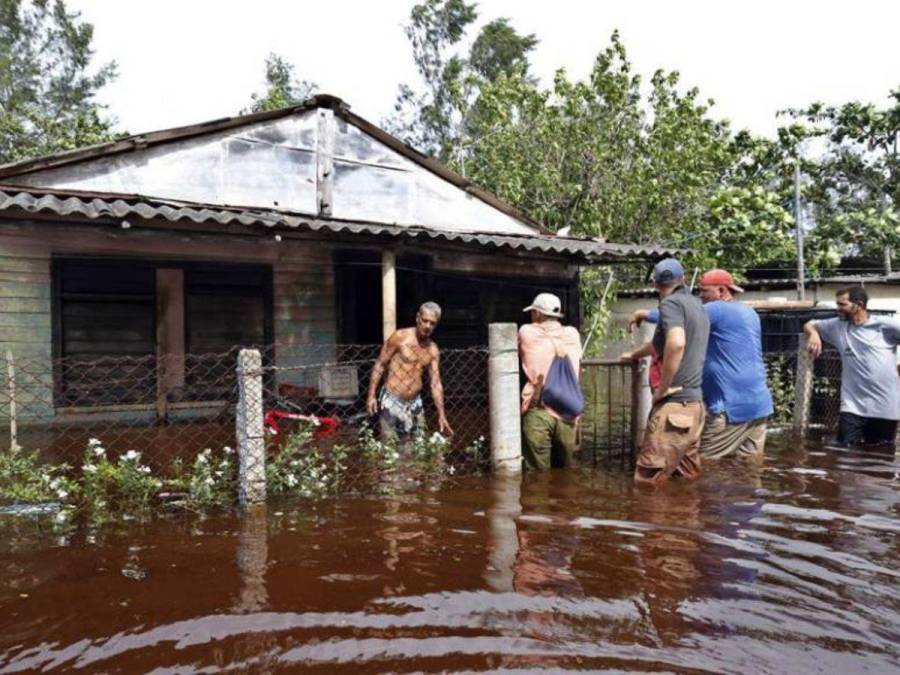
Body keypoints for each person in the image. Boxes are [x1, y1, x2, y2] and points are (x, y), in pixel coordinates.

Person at [629, 269, 773, 460]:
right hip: (759, 405)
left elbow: (678, 315)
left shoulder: (717, 309)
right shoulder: (749, 312)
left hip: (730, 407)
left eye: (704, 291)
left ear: (721, 291)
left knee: (704, 467)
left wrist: (644, 313)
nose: (700, 296)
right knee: (747, 470)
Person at [620, 258, 709, 485]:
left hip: (674, 406)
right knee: (685, 480)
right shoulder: (697, 306)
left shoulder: (669, 305)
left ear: (656, 284)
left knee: (647, 483)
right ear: (684, 279)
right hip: (695, 407)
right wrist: (635, 355)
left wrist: (664, 386)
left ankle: (656, 521)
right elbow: (659, 345)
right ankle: (685, 519)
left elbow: (676, 343)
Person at [804, 286, 900, 448]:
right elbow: (810, 323)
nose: (837, 309)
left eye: (842, 305)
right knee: (844, 454)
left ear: (859, 304)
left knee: (880, 455)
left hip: (885, 406)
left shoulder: (884, 326)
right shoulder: (837, 326)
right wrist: (813, 333)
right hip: (852, 406)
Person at [366, 301, 453, 441]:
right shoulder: (400, 337)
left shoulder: (432, 350)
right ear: (418, 317)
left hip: (414, 403)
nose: (427, 326)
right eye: (425, 321)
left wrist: (441, 414)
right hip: (391, 400)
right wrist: (371, 395)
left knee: (417, 445)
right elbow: (380, 365)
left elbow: (435, 383)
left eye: (432, 323)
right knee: (389, 446)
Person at [518, 292, 583, 470]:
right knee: (565, 472)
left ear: (538, 314)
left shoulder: (527, 332)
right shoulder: (572, 334)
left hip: (540, 407)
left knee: (537, 473)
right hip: (569, 408)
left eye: (533, 313)